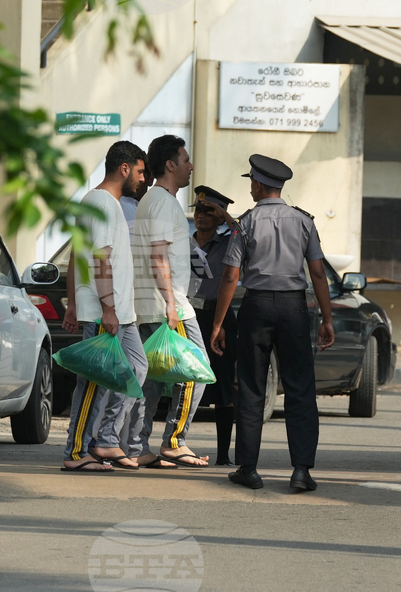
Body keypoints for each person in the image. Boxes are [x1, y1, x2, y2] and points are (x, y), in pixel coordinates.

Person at [210, 154, 335, 492]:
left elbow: (231, 276)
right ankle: (301, 471)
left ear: (259, 184)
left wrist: (219, 324)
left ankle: (248, 469)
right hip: (295, 308)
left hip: (257, 306)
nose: (250, 186)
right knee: (299, 388)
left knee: (251, 386)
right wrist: (326, 318)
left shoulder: (245, 223)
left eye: (251, 181)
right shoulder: (304, 221)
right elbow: (318, 272)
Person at [60, 141, 149, 471]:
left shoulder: (103, 203)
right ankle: (76, 452)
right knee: (93, 381)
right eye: (140, 171)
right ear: (124, 169)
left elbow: (74, 258)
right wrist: (107, 309)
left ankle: (107, 441)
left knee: (137, 368)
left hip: (120, 312)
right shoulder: (101, 203)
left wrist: (71, 303)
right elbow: (99, 259)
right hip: (106, 311)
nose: (142, 179)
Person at [130, 134, 213, 469]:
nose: (191, 166)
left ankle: (137, 445)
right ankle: (175, 441)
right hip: (170, 303)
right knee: (196, 369)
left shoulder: (153, 200)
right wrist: (170, 303)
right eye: (186, 159)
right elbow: (158, 256)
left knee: (152, 380)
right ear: (170, 164)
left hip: (153, 303)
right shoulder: (163, 201)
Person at [188, 186, 239, 466]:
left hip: (217, 316)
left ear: (220, 217)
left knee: (223, 387)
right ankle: (176, 443)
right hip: (188, 315)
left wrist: (228, 217)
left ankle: (223, 455)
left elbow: (245, 237)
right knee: (183, 380)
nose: (202, 215)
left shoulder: (229, 241)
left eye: (210, 211)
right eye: (198, 209)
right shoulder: (183, 242)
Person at [120, 162, 154, 240]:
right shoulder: (121, 204)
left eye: (140, 174)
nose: (133, 180)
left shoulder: (151, 208)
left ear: (150, 180)